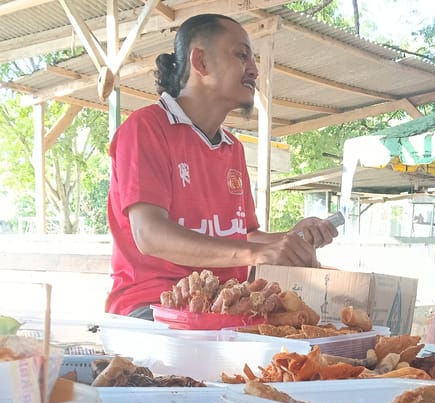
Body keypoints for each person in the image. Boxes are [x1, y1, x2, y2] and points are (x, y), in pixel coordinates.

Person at [105, 13, 339, 318]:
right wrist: (258, 252)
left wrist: (287, 240)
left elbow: (244, 235)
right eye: (242, 55)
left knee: (317, 336)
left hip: (225, 308)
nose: (254, 70)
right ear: (200, 61)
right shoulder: (147, 127)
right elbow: (149, 234)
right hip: (154, 307)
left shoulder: (232, 147)